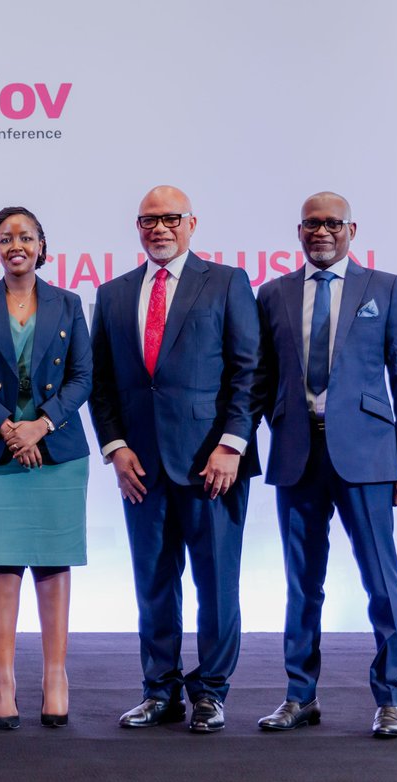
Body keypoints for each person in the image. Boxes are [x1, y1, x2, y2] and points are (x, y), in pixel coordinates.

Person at [88, 185, 261, 733]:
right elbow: (102, 384)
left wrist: (232, 444)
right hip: (141, 467)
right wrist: (114, 448)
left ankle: (211, 691)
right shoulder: (113, 294)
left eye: (170, 218)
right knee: (153, 584)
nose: (159, 228)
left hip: (213, 465)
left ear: (192, 224)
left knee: (216, 584)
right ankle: (159, 689)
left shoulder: (228, 282)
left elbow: (248, 371)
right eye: (148, 220)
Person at [254, 192, 397, 738]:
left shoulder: (385, 288)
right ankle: (299, 696)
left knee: (380, 580)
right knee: (302, 585)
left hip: (370, 458)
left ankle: (392, 699)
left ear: (351, 229)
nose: (321, 231)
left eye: (332, 223)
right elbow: (258, 379)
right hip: (297, 454)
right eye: (311, 224)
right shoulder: (273, 293)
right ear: (298, 231)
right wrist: (233, 443)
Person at [0, 206, 92, 730]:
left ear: (40, 246)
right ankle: (3, 678)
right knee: (2, 563)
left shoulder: (69, 303)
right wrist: (10, 427)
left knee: (55, 563)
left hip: (56, 449)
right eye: (7, 237)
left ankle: (56, 676)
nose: (17, 245)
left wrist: (41, 425)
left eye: (26, 237)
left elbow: (83, 377)